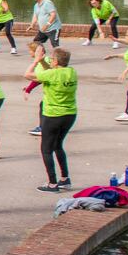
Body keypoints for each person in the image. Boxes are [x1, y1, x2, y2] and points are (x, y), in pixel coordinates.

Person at [28, 48, 79, 192]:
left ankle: (52, 183)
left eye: (51, 58)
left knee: (46, 149)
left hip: (52, 115)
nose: (50, 60)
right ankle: (65, 178)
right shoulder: (71, 72)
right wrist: (44, 61)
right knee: (58, 145)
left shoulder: (51, 74)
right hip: (69, 114)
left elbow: (28, 75)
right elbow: (50, 71)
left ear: (56, 61)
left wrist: (36, 60)